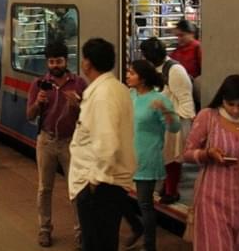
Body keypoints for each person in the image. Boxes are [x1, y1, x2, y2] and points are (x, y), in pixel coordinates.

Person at [183, 75, 239, 251]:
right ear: (222, 99)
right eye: (230, 104)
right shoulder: (208, 117)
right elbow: (187, 153)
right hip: (212, 200)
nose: (235, 110)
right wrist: (207, 154)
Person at [68, 38, 135, 251]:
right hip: (107, 183)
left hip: (100, 185)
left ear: (87, 63)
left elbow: (107, 144)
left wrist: (94, 182)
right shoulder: (117, 88)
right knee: (105, 242)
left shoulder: (102, 95)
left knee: (97, 244)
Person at [26, 42, 86, 248]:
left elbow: (88, 117)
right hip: (46, 141)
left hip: (71, 142)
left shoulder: (78, 84)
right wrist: (38, 103)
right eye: (51, 62)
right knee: (44, 188)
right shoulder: (39, 84)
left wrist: (77, 106)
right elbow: (29, 115)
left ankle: (81, 232)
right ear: (47, 63)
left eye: (58, 61)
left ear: (66, 61)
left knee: (76, 189)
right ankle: (44, 229)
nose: (55, 65)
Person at [123, 60, 180, 251]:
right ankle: (137, 227)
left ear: (143, 78)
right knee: (118, 196)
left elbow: (174, 127)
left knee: (145, 203)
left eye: (131, 73)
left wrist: (166, 112)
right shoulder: (129, 96)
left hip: (148, 156)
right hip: (127, 155)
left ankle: (149, 245)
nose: (128, 75)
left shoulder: (160, 99)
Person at [140, 37, 195, 204]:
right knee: (165, 157)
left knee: (171, 158)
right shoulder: (158, 69)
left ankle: (171, 190)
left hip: (174, 122)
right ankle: (167, 186)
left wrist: (181, 124)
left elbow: (185, 100)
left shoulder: (175, 70)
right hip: (162, 121)